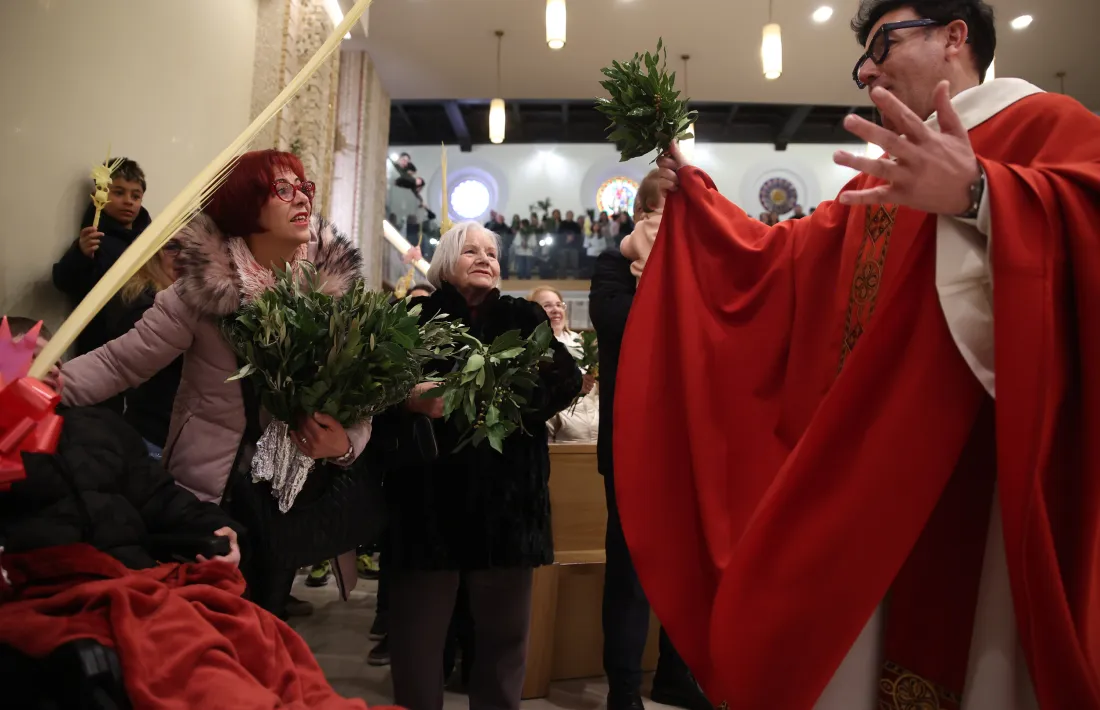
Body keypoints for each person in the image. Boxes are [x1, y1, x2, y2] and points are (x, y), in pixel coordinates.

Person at [615, 1, 1100, 708]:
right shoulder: (877, 179)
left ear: (955, 36)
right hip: (871, 481)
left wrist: (980, 194)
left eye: (882, 43)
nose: (867, 69)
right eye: (861, 60)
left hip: (984, 477)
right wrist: (694, 217)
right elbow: (780, 265)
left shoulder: (1047, 124)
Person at [55, 150, 372, 619]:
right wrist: (40, 387)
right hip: (206, 494)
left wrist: (345, 444)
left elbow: (360, 400)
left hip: (290, 498)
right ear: (245, 205)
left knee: (265, 621)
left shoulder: (332, 299)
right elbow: (120, 363)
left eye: (303, 187)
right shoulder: (200, 291)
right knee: (212, 624)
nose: (301, 198)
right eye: (282, 189)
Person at [372, 221, 581, 710]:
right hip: (427, 502)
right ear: (446, 261)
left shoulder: (522, 316)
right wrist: (409, 399)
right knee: (418, 644)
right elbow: (372, 392)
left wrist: (503, 404)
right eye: (471, 251)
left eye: (492, 252)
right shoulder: (416, 316)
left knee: (503, 644)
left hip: (506, 503)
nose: (486, 258)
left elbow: (565, 379)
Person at [587, 256, 712, 710]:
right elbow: (625, 324)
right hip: (632, 444)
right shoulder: (611, 269)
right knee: (630, 574)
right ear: (642, 217)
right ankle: (623, 690)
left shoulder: (696, 265)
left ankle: (674, 675)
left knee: (687, 570)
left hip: (690, 446)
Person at [52, 158, 152, 356]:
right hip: (102, 347)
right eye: (118, 192)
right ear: (97, 196)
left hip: (145, 341)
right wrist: (81, 255)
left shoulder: (150, 242)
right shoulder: (92, 241)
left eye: (136, 196)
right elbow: (64, 281)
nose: (128, 201)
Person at [101, 240, 183, 459]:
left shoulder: (187, 299)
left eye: (194, 249)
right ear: (153, 254)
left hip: (174, 434)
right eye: (172, 247)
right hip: (155, 434)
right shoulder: (141, 302)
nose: (183, 256)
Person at [530, 286, 598, 444]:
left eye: (559, 305)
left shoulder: (582, 343)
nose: (555, 310)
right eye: (547, 306)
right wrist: (572, 385)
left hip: (590, 424)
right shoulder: (530, 350)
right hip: (555, 425)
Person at [619, 171, 664, 283]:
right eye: (640, 209)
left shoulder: (642, 228)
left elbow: (626, 247)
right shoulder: (679, 226)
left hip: (647, 288)